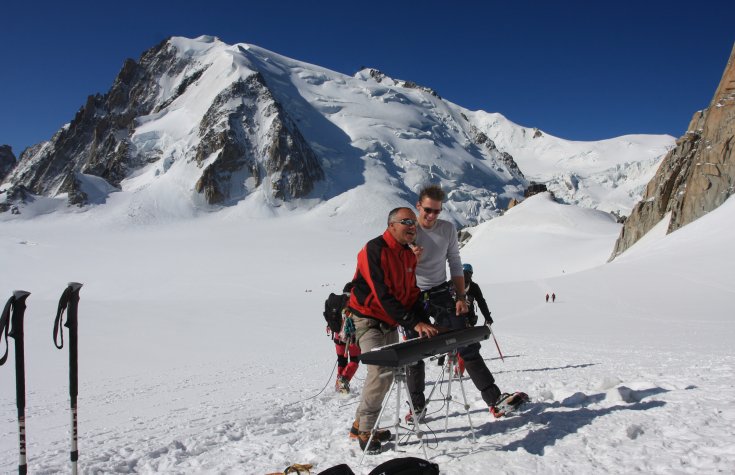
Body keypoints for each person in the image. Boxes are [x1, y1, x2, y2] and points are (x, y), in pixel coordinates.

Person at [406, 184, 504, 420]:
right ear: (418, 206)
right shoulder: (407, 230)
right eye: (428, 210)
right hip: (411, 294)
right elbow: (393, 268)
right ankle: (417, 408)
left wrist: (460, 297)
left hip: (440, 291)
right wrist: (411, 258)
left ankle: (494, 400)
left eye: (437, 211)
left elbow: (455, 263)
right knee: (412, 353)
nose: (431, 215)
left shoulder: (447, 229)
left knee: (466, 342)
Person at [346, 207, 439, 454]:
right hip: (367, 320)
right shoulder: (373, 249)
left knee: (384, 374)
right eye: (406, 221)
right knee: (381, 372)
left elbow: (410, 294)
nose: (412, 226)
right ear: (391, 225)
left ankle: (360, 424)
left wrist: (424, 321)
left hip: (390, 321)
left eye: (414, 223)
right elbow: (382, 293)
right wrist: (412, 322)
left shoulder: (408, 255)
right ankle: (366, 429)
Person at [332, 283, 361, 394]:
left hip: (338, 336)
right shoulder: (354, 303)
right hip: (352, 337)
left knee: (341, 360)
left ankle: (339, 385)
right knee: (354, 361)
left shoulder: (337, 303)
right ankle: (343, 381)